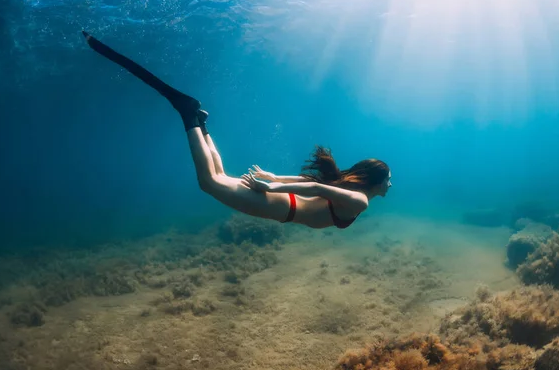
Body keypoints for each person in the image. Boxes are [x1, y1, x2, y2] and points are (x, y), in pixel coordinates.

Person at [81, 31, 392, 229]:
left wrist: (274, 178)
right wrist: (272, 187)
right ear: (375, 181)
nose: (390, 184)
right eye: (388, 179)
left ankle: (199, 121)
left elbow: (312, 184)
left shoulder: (351, 190)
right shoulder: (360, 201)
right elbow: (317, 189)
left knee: (217, 175)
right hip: (281, 206)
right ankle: (188, 114)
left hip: (284, 204)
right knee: (210, 182)